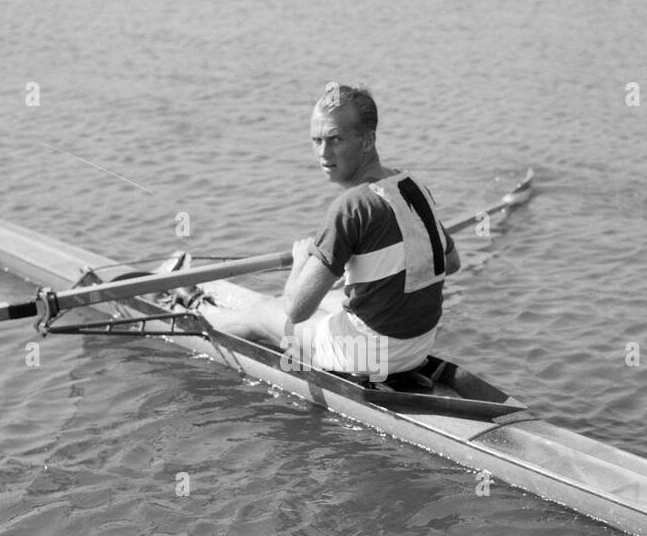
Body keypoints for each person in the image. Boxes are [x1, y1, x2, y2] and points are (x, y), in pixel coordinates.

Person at [191, 83, 459, 382]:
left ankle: (192, 334)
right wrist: (374, 269)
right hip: (418, 348)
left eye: (335, 139)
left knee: (266, 309)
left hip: (368, 356)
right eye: (316, 140)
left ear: (368, 140)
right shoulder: (412, 185)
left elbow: (296, 310)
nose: (323, 153)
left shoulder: (350, 207)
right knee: (328, 304)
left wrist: (300, 262)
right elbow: (450, 262)